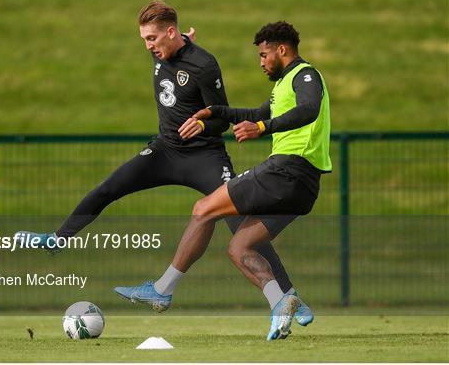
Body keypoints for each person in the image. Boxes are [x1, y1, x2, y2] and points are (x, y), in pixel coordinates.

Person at [15, 1, 310, 321]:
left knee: (240, 225)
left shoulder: (204, 64)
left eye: (152, 38)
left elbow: (221, 119)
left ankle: (288, 296)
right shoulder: (163, 47)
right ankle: (57, 239)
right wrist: (178, 37)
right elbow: (169, 42)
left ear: (170, 33)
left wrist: (202, 124)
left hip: (205, 156)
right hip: (165, 151)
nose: (148, 46)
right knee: (109, 187)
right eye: (144, 39)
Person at [115, 21, 331, 341]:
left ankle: (162, 290)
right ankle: (285, 303)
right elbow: (257, 111)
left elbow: (309, 110)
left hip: (286, 171)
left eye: (264, 55)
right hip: (303, 188)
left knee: (204, 208)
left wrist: (263, 128)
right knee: (238, 247)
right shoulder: (284, 84)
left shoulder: (305, 76)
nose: (261, 62)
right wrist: (214, 111)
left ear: (282, 50)